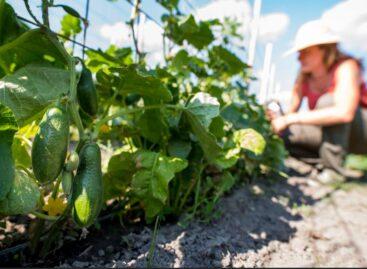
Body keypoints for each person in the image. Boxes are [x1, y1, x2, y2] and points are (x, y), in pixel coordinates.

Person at [270, 20, 367, 179]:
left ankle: (333, 171)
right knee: (287, 134)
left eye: (305, 51)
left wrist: (289, 119)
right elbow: (290, 112)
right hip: (334, 137)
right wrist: (279, 121)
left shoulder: (347, 67)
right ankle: (324, 164)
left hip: (361, 131)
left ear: (325, 49)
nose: (299, 57)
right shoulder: (303, 75)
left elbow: (344, 113)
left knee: (328, 102)